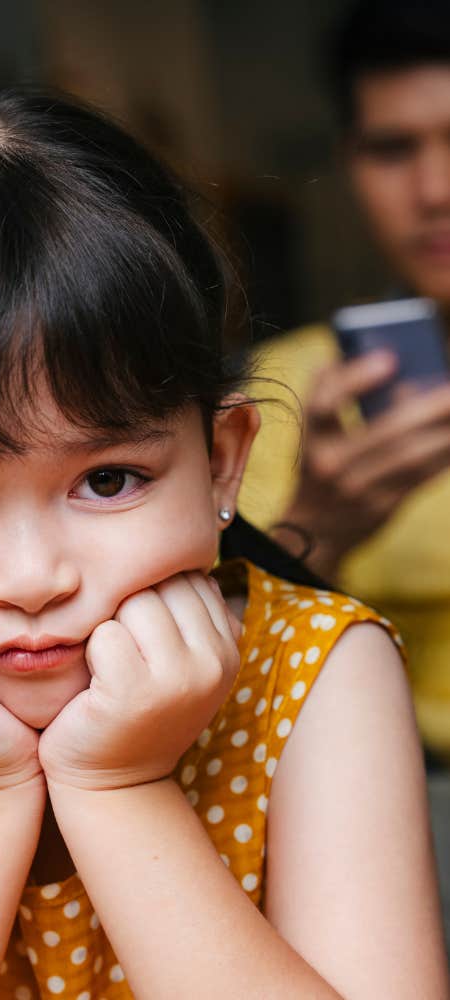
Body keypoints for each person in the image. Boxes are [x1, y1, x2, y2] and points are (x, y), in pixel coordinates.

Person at [0, 90, 447, 999]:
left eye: (107, 481)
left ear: (222, 464)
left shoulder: (318, 676)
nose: (31, 580)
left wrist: (121, 792)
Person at [239, 0, 450, 758]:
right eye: (393, 149)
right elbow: (228, 670)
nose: (434, 190)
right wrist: (317, 526)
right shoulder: (290, 388)